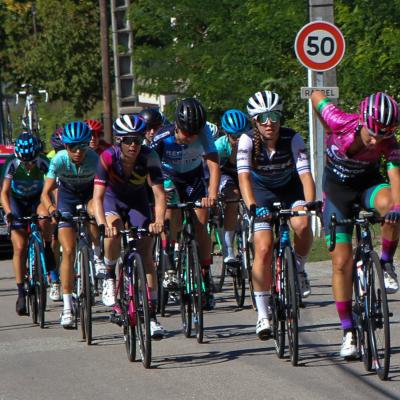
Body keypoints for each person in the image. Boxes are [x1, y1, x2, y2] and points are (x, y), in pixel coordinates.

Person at [311, 91, 400, 358]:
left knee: (390, 204)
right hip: (337, 191)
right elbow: (316, 95)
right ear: (362, 120)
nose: (376, 141)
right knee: (341, 262)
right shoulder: (339, 120)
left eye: (383, 135)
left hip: (366, 185)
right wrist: (323, 123)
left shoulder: (388, 141)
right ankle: (348, 331)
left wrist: (396, 208)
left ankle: (385, 262)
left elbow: (395, 175)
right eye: (372, 134)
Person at [238, 90, 316, 340]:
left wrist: (310, 203)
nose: (269, 122)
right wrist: (252, 206)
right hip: (261, 193)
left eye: (273, 116)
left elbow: (305, 174)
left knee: (303, 225)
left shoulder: (293, 138)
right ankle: (262, 314)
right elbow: (244, 178)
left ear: (280, 117)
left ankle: (299, 269)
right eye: (263, 118)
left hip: (289, 189)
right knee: (263, 248)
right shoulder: (247, 141)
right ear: (255, 121)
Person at [93, 114, 167, 339]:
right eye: (128, 140)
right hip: (112, 199)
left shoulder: (149, 156)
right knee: (113, 230)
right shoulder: (107, 157)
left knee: (146, 255)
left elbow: (159, 194)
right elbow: (97, 197)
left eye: (138, 140)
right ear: (119, 141)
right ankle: (108, 274)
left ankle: (152, 315)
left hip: (137, 201)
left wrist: (159, 221)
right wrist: (102, 224)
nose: (134, 145)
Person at [151, 97, 220, 310]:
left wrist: (213, 194)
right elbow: (149, 167)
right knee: (171, 215)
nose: (190, 138)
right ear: (177, 126)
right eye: (186, 133)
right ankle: (169, 261)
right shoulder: (162, 137)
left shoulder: (204, 134)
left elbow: (214, 164)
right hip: (168, 177)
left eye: (194, 134)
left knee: (201, 224)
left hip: (193, 178)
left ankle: (206, 276)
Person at [41, 121, 101, 328]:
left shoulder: (95, 159)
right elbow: (45, 193)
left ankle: (97, 252)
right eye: (71, 147)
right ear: (65, 147)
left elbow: (104, 189)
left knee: (93, 212)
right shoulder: (58, 160)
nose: (77, 151)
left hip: (89, 194)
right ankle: (67, 307)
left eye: (82, 146)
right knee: (67, 250)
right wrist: (51, 211)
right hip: (66, 198)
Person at [1, 132, 55, 315]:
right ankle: (21, 293)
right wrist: (8, 213)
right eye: (25, 161)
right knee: (20, 246)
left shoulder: (42, 162)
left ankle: (47, 247)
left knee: (44, 216)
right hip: (17, 202)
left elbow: (52, 187)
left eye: (31, 161)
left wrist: (53, 208)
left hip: (37, 199)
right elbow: (4, 192)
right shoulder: (13, 164)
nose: (28, 165)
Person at [215, 109, 249, 263]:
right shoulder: (219, 146)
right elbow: (211, 171)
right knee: (233, 196)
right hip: (225, 173)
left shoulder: (252, 141)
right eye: (234, 137)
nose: (238, 140)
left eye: (241, 135)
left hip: (246, 172)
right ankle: (229, 248)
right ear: (226, 134)